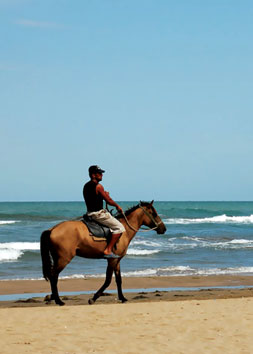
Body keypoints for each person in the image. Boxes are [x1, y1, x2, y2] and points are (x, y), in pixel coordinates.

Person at [83, 165, 125, 259]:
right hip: (98, 214)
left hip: (89, 213)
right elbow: (109, 201)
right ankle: (108, 250)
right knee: (119, 227)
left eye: (101, 173)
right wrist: (117, 206)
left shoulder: (86, 186)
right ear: (93, 175)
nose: (102, 175)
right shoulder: (99, 186)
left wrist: (103, 195)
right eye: (99, 173)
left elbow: (93, 198)